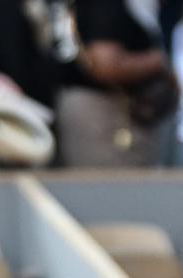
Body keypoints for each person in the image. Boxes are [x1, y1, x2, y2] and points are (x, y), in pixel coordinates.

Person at [57, 0, 178, 168]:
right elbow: (105, 64)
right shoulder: (106, 6)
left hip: (127, 112)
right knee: (107, 187)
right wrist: (159, 62)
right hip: (102, 112)